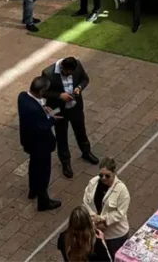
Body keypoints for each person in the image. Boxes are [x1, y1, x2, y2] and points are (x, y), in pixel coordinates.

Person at [43, 57, 98, 178]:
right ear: (62, 67)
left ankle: (86, 152)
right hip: (59, 111)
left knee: (81, 131)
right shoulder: (48, 73)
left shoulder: (77, 64)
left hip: (75, 108)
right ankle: (65, 163)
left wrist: (79, 88)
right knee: (61, 136)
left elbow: (85, 79)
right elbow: (43, 92)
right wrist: (59, 96)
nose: (70, 75)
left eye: (72, 73)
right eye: (68, 73)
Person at [18, 76, 61, 211]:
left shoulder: (23, 97)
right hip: (40, 144)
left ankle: (33, 190)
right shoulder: (34, 110)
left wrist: (43, 108)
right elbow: (42, 127)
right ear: (41, 91)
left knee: (34, 166)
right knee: (43, 172)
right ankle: (44, 201)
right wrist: (53, 119)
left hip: (29, 141)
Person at [82, 158, 131, 258]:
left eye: (107, 176)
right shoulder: (93, 183)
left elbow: (120, 213)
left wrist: (102, 220)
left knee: (116, 257)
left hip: (115, 234)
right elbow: (86, 202)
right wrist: (94, 217)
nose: (103, 178)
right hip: (96, 231)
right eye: (101, 175)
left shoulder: (122, 190)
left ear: (114, 172)